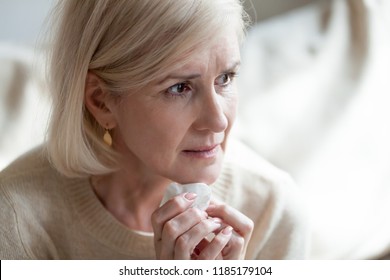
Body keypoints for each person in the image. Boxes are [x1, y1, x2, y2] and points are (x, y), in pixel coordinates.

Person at [0, 0, 308, 259]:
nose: (219, 121)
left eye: (225, 78)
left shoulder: (272, 211)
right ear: (101, 101)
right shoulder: (17, 217)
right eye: (180, 87)